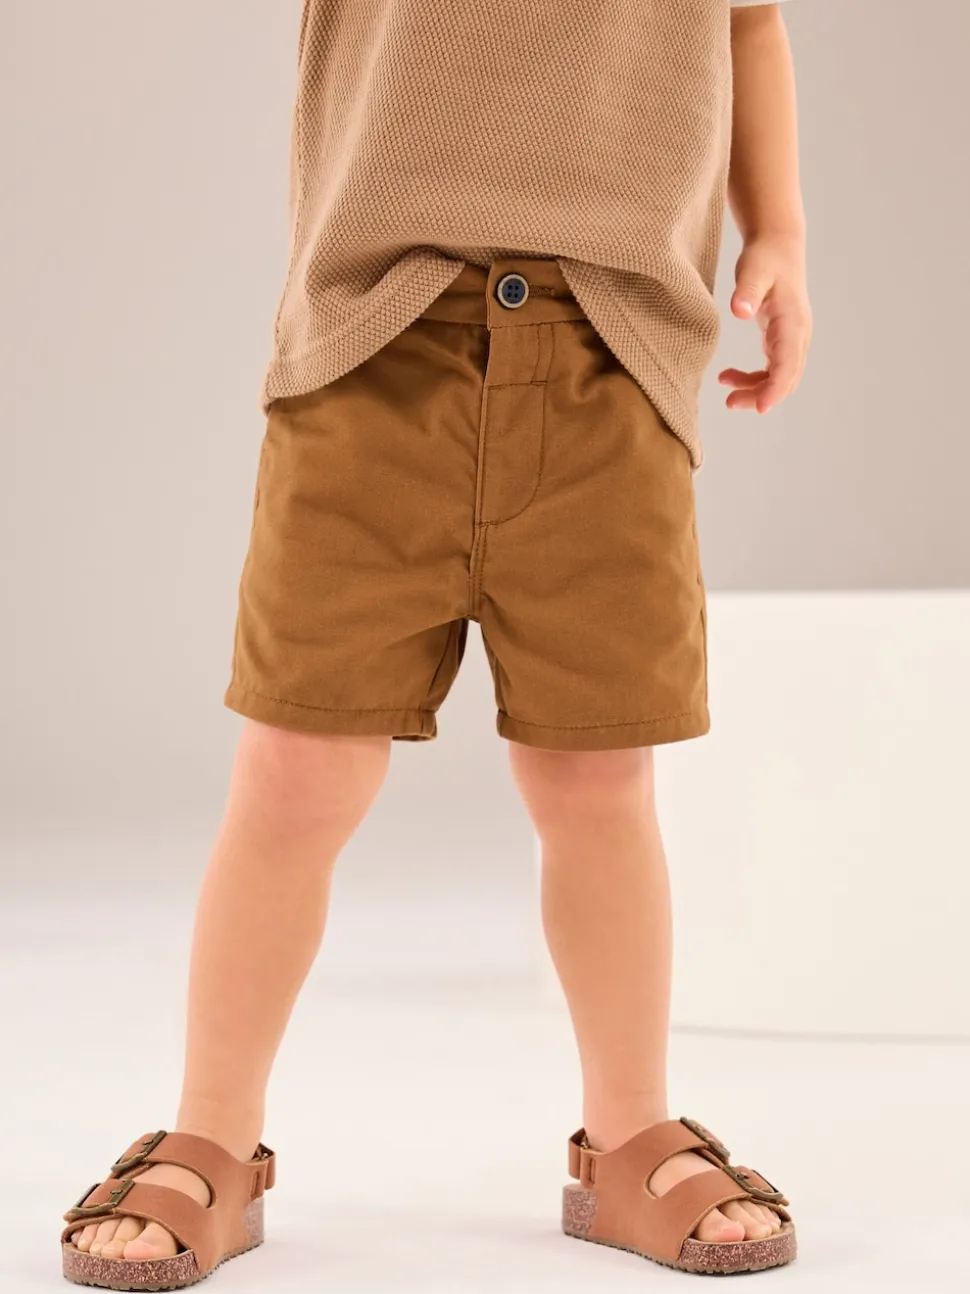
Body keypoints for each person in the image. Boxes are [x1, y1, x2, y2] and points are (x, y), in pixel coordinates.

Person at [60, 0, 811, 1286]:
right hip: (371, 345)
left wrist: (779, 228)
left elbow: (748, 20)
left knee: (600, 780)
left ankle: (629, 1131)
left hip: (613, 353)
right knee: (295, 772)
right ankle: (212, 1132)